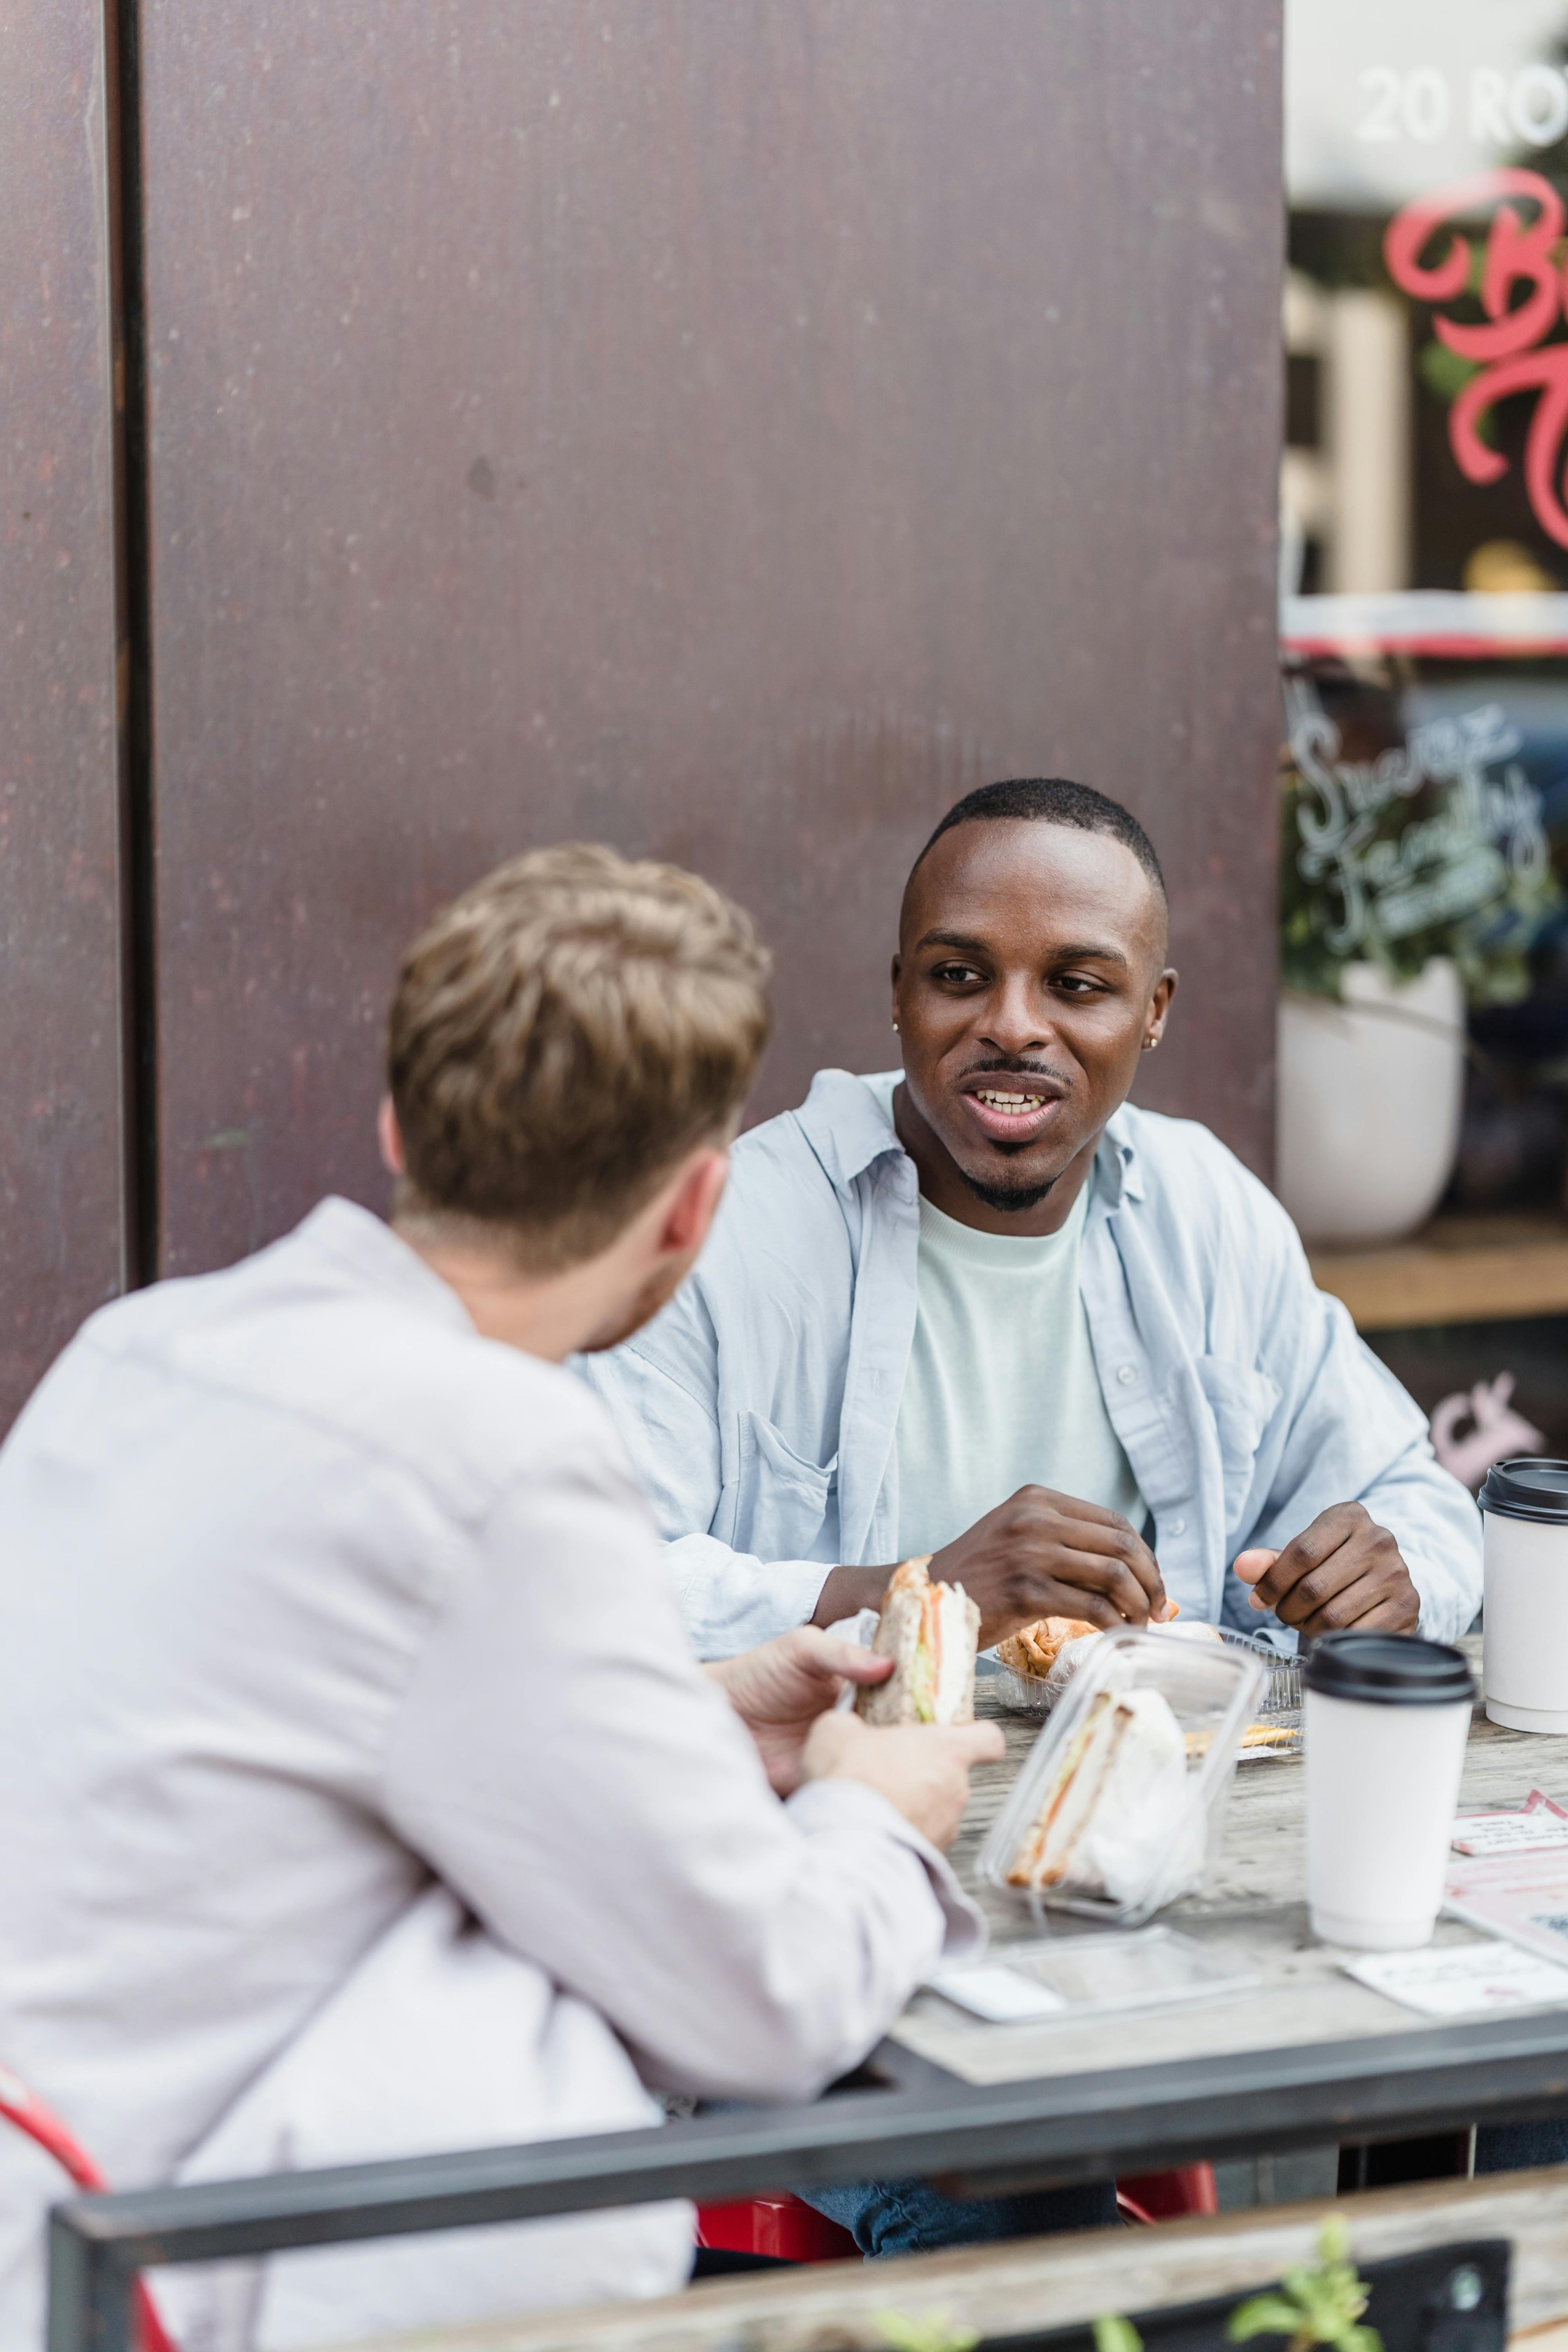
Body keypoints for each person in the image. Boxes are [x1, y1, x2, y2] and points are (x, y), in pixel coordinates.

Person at [0, 846, 1000, 2352]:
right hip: (146, 2280)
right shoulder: (503, 1454)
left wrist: (704, 1716)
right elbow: (772, 2004)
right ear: (693, 1211)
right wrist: (875, 1808)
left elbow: (322, 1754)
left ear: (401, 1122)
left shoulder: (140, 1350)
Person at [582, 778, 1487, 2254]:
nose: (1012, 1023)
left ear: (1155, 1012)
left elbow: (1417, 1504)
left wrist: (1389, 1571)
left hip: (1158, 1897)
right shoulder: (737, 1229)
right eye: (959, 976)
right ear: (894, 996)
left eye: (1076, 984)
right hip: (826, 1937)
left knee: (1519, 2073)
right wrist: (911, 1587)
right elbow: (596, 1590)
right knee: (1021, 2200)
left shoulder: (1203, 1214)